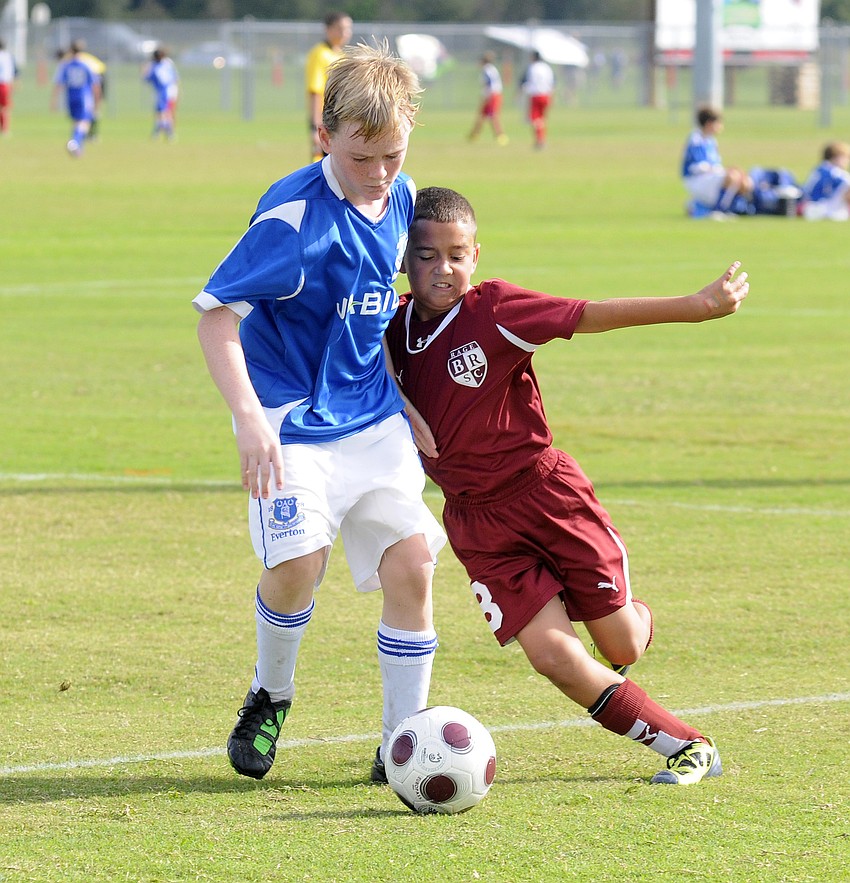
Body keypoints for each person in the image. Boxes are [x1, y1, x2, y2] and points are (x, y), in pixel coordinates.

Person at [386, 187, 751, 785]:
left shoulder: (495, 311)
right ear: (404, 258)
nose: (443, 270)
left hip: (547, 497)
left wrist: (696, 305)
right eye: (426, 256)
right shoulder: (391, 327)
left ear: (476, 255)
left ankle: (633, 615)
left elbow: (594, 313)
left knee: (623, 645)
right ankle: (687, 744)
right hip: (476, 522)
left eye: (456, 254)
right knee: (554, 657)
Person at [193, 43, 446, 783]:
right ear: (324, 135)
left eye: (393, 155)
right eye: (362, 156)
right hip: (292, 424)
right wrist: (248, 419)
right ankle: (271, 692)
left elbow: (373, 312)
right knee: (298, 566)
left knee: (412, 565)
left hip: (371, 423)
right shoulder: (291, 218)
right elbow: (217, 319)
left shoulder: (401, 198)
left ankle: (403, 742)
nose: (378, 174)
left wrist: (400, 395)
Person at [682, 106, 754, 216]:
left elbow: (716, 165)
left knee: (745, 181)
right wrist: (721, 171)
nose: (721, 126)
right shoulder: (696, 140)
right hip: (696, 179)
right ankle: (718, 210)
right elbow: (697, 167)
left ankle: (735, 208)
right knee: (732, 177)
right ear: (709, 124)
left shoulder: (711, 141)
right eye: (718, 123)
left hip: (711, 177)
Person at [305, 11, 353, 162]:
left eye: (348, 28)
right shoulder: (320, 54)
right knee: (322, 167)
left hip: (342, 120)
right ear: (328, 29)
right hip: (326, 122)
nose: (345, 33)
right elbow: (316, 91)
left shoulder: (341, 56)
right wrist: (315, 127)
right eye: (340, 28)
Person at [51, 41, 101, 157]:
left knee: (76, 123)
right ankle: (75, 142)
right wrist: (97, 99)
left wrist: (54, 101)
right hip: (84, 97)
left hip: (70, 97)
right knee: (84, 122)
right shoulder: (86, 65)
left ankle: (79, 149)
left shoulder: (66, 65)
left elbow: (59, 84)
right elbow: (95, 84)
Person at [799, 141, 850, 221]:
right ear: (838, 157)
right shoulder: (839, 174)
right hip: (829, 212)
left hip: (808, 208)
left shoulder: (818, 169)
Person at [468, 52, 508, 146]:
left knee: (493, 116)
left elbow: (489, 84)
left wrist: (486, 96)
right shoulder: (491, 69)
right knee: (482, 115)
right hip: (492, 94)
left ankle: (501, 136)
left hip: (492, 95)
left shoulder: (487, 70)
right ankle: (474, 134)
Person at [144, 46, 180, 141]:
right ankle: (166, 132)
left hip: (165, 91)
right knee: (165, 112)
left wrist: (145, 70)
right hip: (169, 91)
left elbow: (147, 78)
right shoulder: (167, 63)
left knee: (163, 112)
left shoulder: (157, 66)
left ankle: (166, 132)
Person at [520, 50, 554, 150]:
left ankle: (540, 140)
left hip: (536, 94)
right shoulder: (547, 68)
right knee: (542, 119)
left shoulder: (532, 67)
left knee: (535, 119)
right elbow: (552, 83)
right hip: (546, 94)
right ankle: (542, 139)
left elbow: (529, 82)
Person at [0, 39, 18, 137]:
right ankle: (5, 130)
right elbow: (12, 72)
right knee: (5, 108)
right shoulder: (8, 57)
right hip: (4, 84)